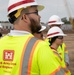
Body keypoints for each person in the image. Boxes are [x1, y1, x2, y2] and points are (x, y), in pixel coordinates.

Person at [0, 0, 66, 75]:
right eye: (36, 12)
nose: (39, 16)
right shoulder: (40, 47)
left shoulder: (1, 43)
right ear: (25, 17)